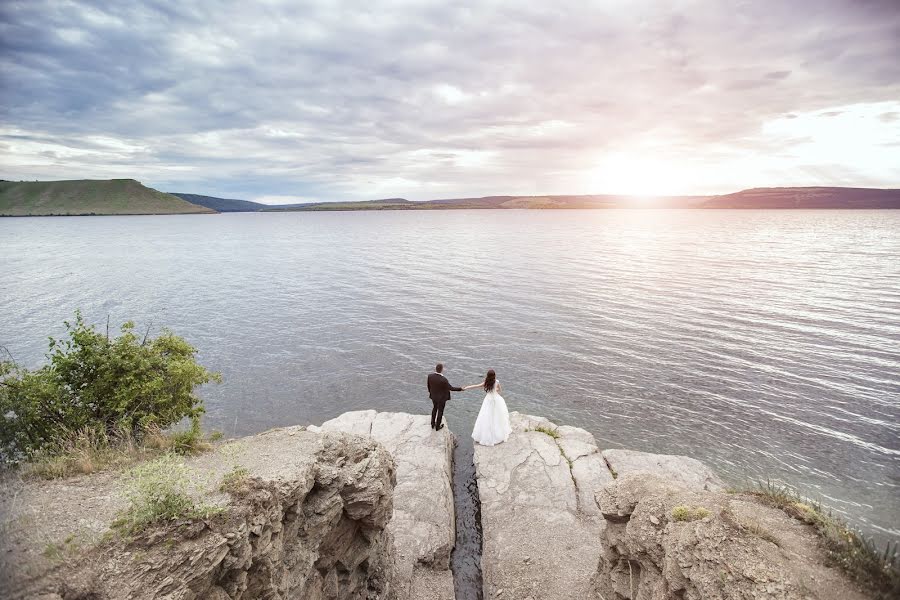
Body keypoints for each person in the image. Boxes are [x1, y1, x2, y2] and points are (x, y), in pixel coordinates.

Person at [465, 369, 512, 446]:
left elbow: (476, 386)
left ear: (487, 376)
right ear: (494, 375)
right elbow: (500, 390)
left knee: (486, 417)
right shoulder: (497, 382)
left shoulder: (486, 383)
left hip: (488, 400)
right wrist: (494, 389)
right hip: (496, 400)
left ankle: (485, 436)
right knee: (498, 416)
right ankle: (498, 433)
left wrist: (466, 387)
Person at [427, 363, 464, 431]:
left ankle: (432, 424)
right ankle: (438, 426)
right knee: (440, 411)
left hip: (433, 396)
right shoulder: (444, 379)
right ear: (442, 369)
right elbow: (451, 388)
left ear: (436, 368)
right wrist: (460, 389)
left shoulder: (430, 376)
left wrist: (431, 393)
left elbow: (429, 386)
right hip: (441, 399)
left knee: (434, 409)